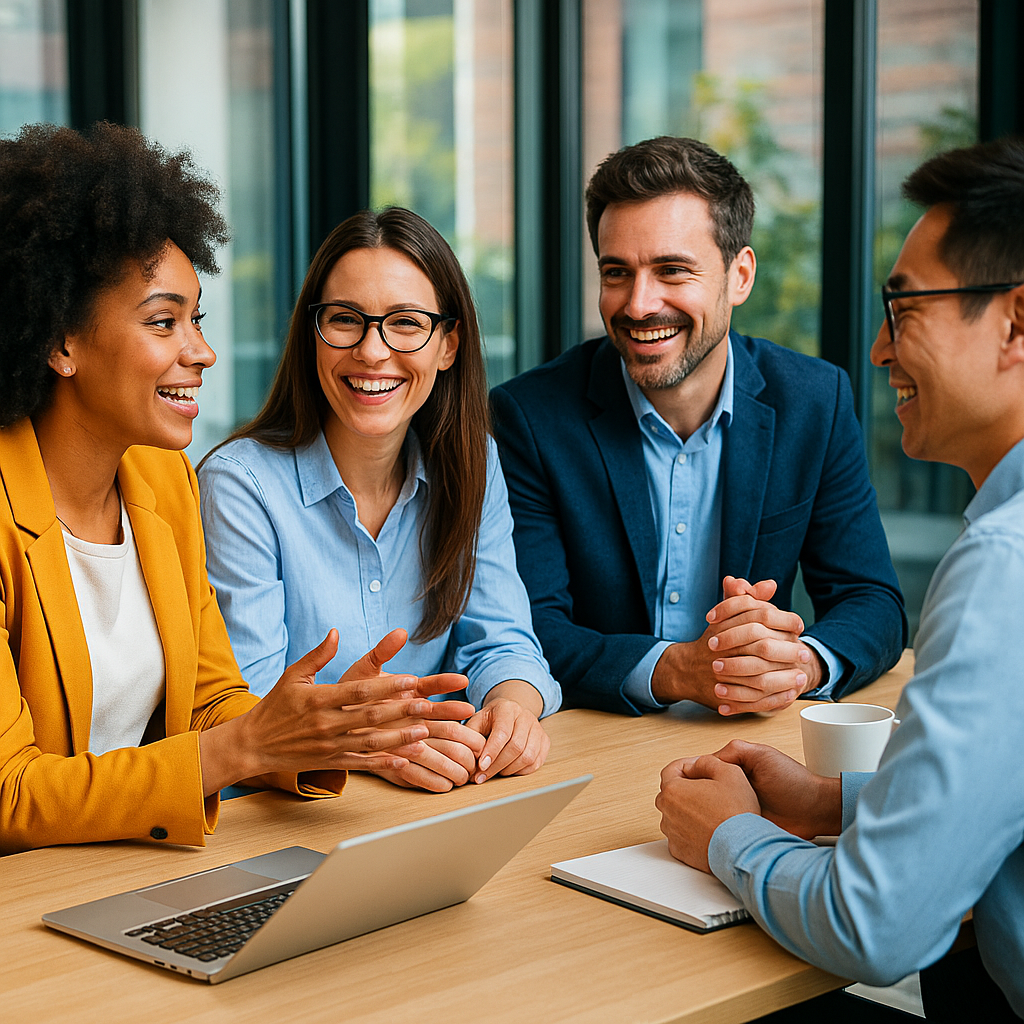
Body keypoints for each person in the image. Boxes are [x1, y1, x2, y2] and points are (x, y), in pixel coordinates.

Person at [0, 123, 475, 856]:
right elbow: (10, 792)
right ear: (60, 340)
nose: (202, 351)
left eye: (197, 319)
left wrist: (322, 733)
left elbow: (210, 703)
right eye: (164, 322)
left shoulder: (161, 481)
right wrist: (241, 751)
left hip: (128, 870)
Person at [657, 137, 1024, 1021]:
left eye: (905, 309)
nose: (878, 349)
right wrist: (833, 801)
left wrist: (729, 839)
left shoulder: (1004, 567)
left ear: (1016, 323)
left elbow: (876, 926)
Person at [491, 136, 906, 718]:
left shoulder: (815, 400)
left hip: (757, 736)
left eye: (671, 271)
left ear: (739, 275)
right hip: (597, 740)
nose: (638, 305)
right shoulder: (529, 416)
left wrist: (799, 661)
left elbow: (873, 599)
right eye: (617, 273)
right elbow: (529, 628)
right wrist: (677, 670)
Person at [198, 207, 559, 794]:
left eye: (406, 324)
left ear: (447, 345)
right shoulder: (240, 485)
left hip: (434, 796)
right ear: (312, 334)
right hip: (282, 816)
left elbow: (504, 639)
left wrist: (513, 707)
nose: (372, 351)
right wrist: (383, 741)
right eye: (345, 320)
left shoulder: (474, 464)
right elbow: (251, 708)